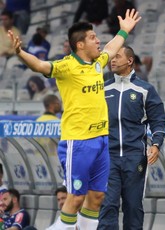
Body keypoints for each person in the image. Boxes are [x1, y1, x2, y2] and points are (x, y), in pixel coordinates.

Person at [8, 8, 141, 230]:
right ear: (80, 45)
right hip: (78, 142)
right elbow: (41, 66)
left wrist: (124, 31)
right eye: (92, 37)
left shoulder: (98, 63)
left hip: (101, 140)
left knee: (97, 197)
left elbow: (112, 47)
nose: (98, 41)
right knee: (76, 198)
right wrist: (21, 52)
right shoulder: (66, 66)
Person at [98, 45, 165, 230]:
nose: (112, 59)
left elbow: (158, 120)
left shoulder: (145, 89)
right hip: (108, 157)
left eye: (117, 56)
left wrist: (156, 144)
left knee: (133, 207)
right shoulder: (102, 89)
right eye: (111, 56)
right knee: (108, 205)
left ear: (130, 60)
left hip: (135, 157)